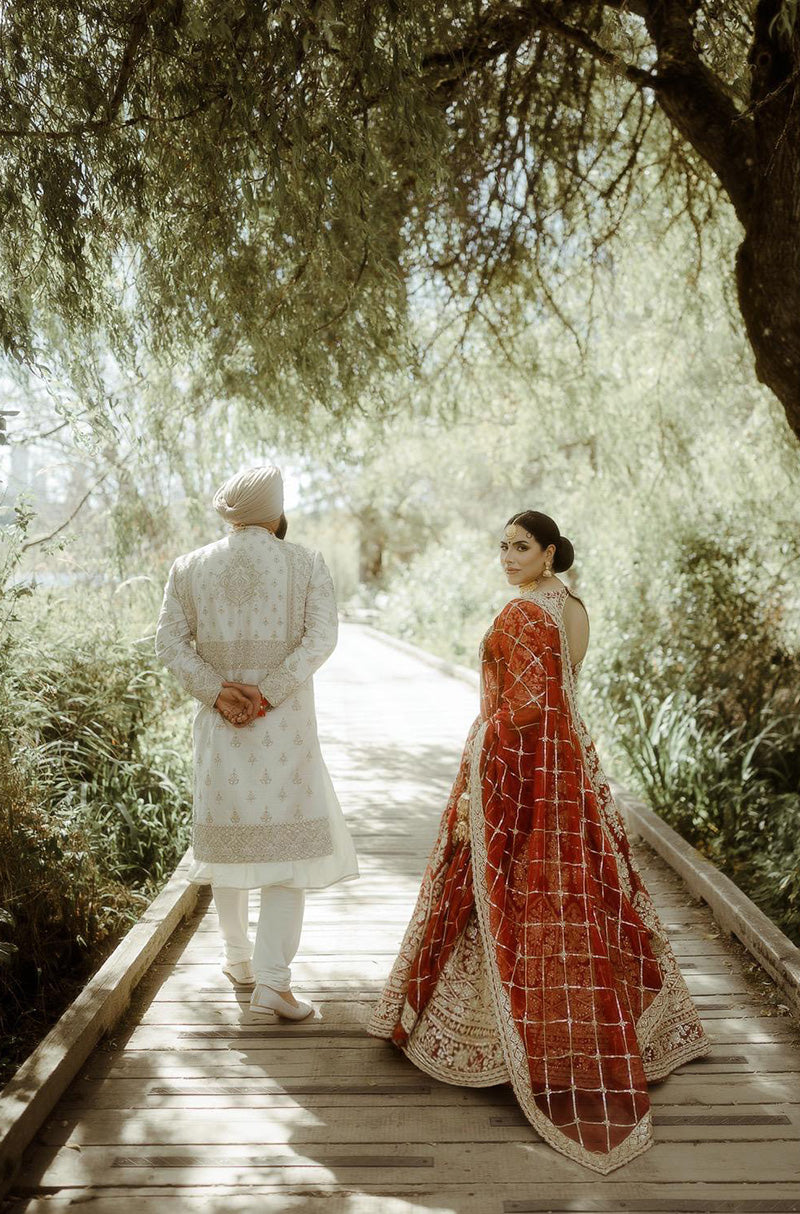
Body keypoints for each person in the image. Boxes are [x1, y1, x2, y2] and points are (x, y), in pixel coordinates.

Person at [368, 510, 712, 1173]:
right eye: (502, 546)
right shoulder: (573, 607)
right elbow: (567, 695)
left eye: (520, 547)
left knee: (509, 890)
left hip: (519, 767)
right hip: (569, 765)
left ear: (548, 552)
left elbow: (521, 709)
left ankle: (512, 1043)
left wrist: (486, 758)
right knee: (582, 889)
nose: (507, 556)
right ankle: (589, 1031)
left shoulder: (525, 613)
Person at [155, 464, 358, 1021]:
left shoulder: (188, 567)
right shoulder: (306, 563)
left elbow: (168, 643)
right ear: (276, 510)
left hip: (220, 729)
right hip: (285, 729)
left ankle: (237, 960)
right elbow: (322, 638)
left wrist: (219, 692)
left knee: (231, 844)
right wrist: (266, 693)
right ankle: (273, 984)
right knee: (285, 854)